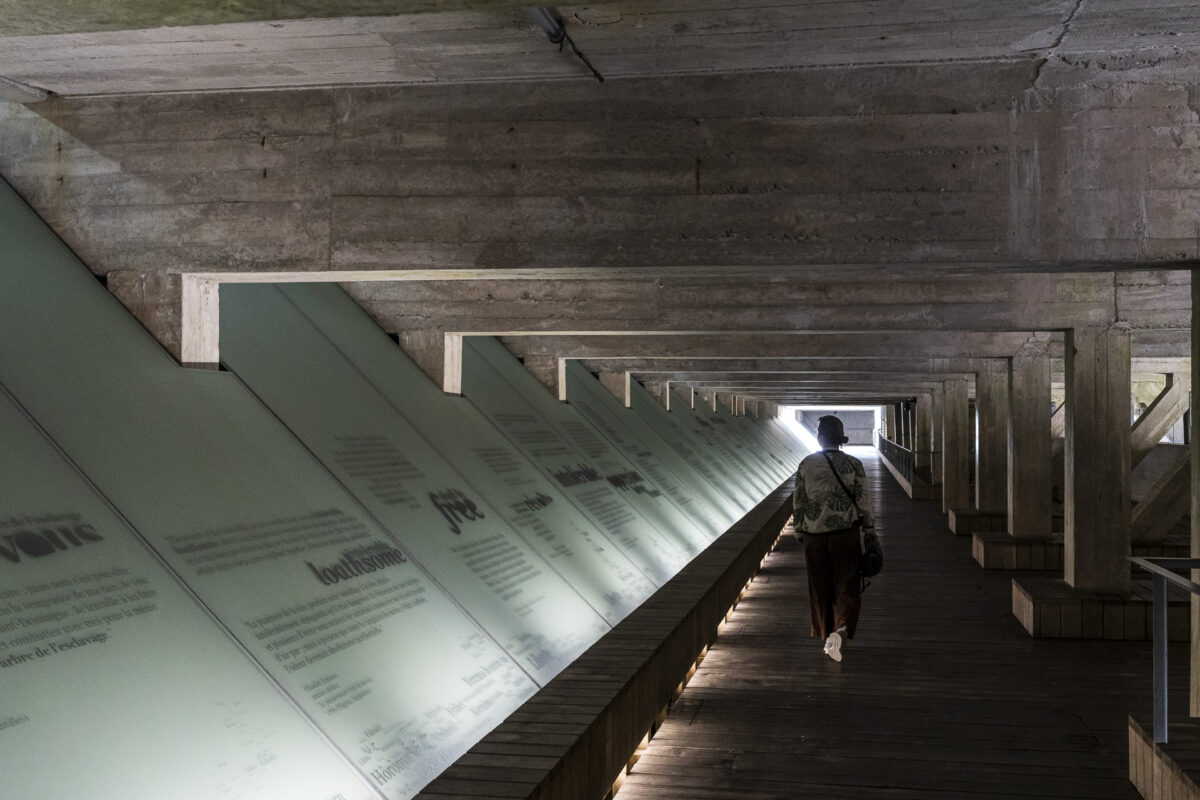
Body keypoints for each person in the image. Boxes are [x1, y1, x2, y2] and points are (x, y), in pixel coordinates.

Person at [793, 415, 876, 662]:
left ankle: (827, 633)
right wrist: (870, 530)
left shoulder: (806, 464)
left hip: (814, 538)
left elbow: (799, 501)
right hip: (845, 536)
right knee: (847, 584)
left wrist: (800, 532)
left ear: (820, 438)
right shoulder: (854, 464)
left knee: (820, 588)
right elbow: (863, 501)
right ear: (841, 439)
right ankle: (841, 630)